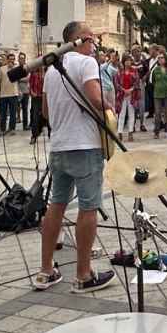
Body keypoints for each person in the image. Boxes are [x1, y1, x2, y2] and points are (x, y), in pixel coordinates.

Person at [33, 23, 116, 295]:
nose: (94, 41)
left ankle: (46, 270)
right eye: (90, 36)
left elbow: (45, 110)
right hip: (85, 144)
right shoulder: (87, 63)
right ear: (78, 40)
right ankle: (83, 274)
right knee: (88, 207)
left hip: (59, 146)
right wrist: (109, 106)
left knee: (55, 205)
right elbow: (94, 97)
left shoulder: (51, 69)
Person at [149, 46, 167, 138]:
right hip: (157, 93)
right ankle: (156, 132)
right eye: (159, 58)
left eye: (162, 58)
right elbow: (153, 81)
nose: (160, 59)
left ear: (166, 59)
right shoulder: (155, 71)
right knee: (157, 113)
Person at [0, 56, 23, 135]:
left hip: (13, 93)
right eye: (10, 59)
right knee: (3, 113)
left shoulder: (16, 68)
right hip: (3, 94)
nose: (11, 60)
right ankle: (2, 129)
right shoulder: (2, 68)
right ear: (7, 60)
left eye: (13, 59)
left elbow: (19, 80)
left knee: (13, 112)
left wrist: (19, 91)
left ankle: (12, 129)